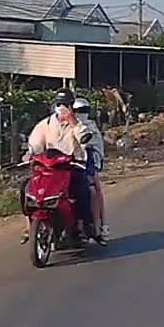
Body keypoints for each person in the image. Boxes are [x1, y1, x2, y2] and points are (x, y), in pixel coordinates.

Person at [21, 89, 95, 244]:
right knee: (26, 188)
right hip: (48, 168)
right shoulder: (46, 124)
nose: (62, 108)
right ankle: (29, 225)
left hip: (70, 167)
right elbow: (35, 144)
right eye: (59, 104)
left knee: (82, 188)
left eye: (66, 104)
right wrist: (31, 153)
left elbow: (84, 138)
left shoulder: (78, 124)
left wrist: (73, 122)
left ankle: (81, 224)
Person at [72, 97, 108, 241]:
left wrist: (96, 166)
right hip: (65, 164)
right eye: (77, 111)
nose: (80, 113)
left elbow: (98, 150)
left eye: (83, 110)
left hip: (86, 163)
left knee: (94, 190)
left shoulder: (91, 128)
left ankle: (100, 227)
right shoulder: (60, 125)